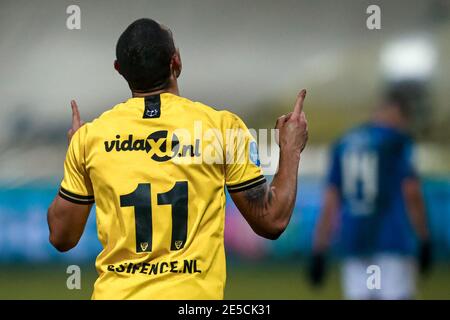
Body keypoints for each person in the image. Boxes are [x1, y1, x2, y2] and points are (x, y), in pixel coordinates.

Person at [47, 18, 309, 299]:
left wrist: (76, 156)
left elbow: (62, 237)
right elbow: (271, 220)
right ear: (177, 62)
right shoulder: (221, 128)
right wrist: (290, 149)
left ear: (119, 70)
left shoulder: (91, 138)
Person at [310, 86, 431, 300]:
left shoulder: (344, 143)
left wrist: (319, 248)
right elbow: (411, 192)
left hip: (355, 241)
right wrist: (424, 237)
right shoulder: (396, 142)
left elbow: (330, 201)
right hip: (391, 240)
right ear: (397, 112)